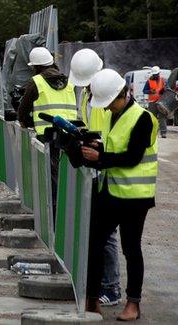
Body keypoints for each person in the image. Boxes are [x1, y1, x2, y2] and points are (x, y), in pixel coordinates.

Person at [82, 69, 157, 320]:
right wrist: (99, 148)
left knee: (131, 248)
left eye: (109, 103)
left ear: (121, 95)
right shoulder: (115, 114)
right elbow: (117, 147)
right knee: (95, 244)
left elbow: (132, 156)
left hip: (135, 197)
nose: (106, 108)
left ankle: (133, 304)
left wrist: (101, 157)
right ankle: (92, 300)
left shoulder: (143, 118)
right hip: (111, 191)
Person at [69, 48, 121, 307]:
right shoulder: (87, 94)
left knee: (108, 233)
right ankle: (100, 282)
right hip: (96, 166)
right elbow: (88, 123)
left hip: (109, 168)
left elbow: (114, 134)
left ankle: (111, 287)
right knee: (99, 231)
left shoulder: (110, 93)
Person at [18, 47, 78, 133]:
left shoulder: (37, 82)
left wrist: (24, 121)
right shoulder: (69, 82)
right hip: (70, 133)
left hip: (46, 135)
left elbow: (24, 108)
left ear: (36, 67)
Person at [143, 66, 167, 138]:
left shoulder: (163, 80)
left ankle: (163, 133)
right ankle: (153, 132)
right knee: (153, 117)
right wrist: (150, 91)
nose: (156, 76)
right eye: (154, 74)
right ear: (152, 74)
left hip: (161, 101)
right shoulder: (149, 81)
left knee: (162, 117)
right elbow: (144, 90)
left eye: (157, 74)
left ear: (159, 73)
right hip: (152, 102)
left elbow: (167, 88)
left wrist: (164, 90)